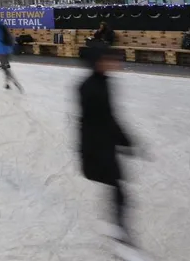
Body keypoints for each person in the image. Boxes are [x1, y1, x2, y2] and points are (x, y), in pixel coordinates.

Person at [77, 45, 146, 255]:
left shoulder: (101, 82)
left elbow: (108, 117)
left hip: (103, 144)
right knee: (118, 189)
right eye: (109, 59)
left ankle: (119, 230)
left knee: (117, 189)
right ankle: (119, 235)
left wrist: (124, 140)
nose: (115, 63)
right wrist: (123, 140)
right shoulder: (90, 87)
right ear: (98, 62)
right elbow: (101, 120)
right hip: (97, 147)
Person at [0, 13, 23, 92]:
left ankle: (15, 83)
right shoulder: (2, 25)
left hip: (1, 50)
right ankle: (7, 83)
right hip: (7, 49)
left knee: (5, 67)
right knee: (5, 66)